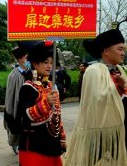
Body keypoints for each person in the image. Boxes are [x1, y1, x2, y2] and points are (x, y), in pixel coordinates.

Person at [64, 29, 127, 165]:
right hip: (98, 132)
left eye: (124, 49)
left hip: (117, 130)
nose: (123, 53)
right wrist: (119, 88)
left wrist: (123, 87)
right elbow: (99, 99)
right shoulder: (94, 70)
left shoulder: (120, 69)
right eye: (120, 49)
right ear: (106, 51)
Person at [18, 41, 66, 166]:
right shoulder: (28, 87)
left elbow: (57, 114)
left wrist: (62, 137)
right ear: (35, 64)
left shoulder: (51, 85)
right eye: (45, 62)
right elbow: (26, 115)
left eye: (51, 62)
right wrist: (47, 103)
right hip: (34, 145)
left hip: (52, 143)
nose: (49, 66)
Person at [4, 45, 32, 155]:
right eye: (26, 57)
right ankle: (15, 144)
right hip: (17, 105)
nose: (28, 60)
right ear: (20, 59)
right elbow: (10, 95)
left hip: (29, 105)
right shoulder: (13, 75)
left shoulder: (32, 72)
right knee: (16, 124)